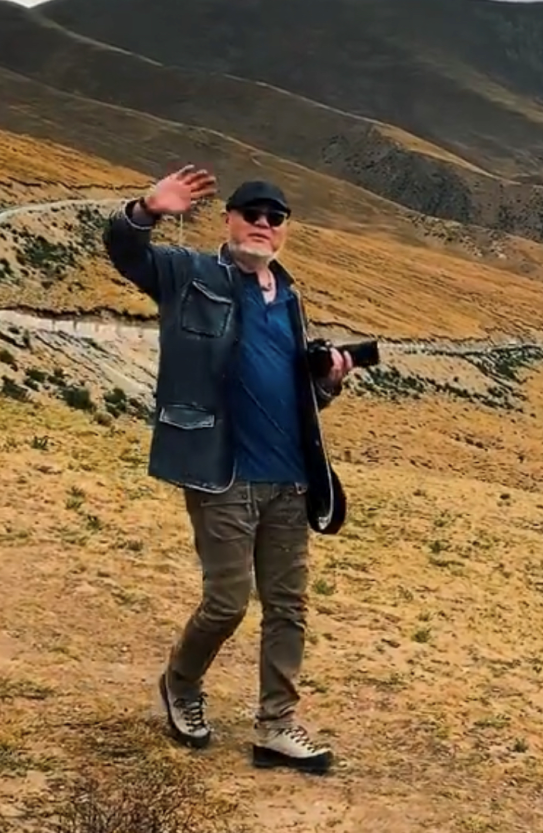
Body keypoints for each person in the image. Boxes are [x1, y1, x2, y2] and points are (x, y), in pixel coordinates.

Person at [102, 164, 353, 775]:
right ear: (229, 220)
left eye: (275, 218)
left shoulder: (290, 298)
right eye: (252, 214)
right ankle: (181, 685)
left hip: (289, 478)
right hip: (222, 473)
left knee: (288, 605)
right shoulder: (189, 274)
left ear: (284, 230)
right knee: (227, 602)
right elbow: (124, 251)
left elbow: (294, 394)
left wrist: (327, 385)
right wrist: (146, 210)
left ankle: (276, 725)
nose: (263, 225)